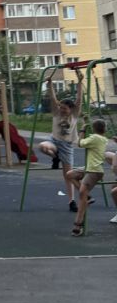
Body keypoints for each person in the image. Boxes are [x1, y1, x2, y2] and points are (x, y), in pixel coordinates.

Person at [38, 69, 84, 211]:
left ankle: (71, 201)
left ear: (71, 109)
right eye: (61, 107)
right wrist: (50, 84)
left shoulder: (74, 115)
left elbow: (79, 99)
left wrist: (80, 81)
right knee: (42, 146)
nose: (62, 110)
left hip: (67, 146)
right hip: (54, 141)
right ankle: (55, 156)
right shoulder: (56, 113)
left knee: (68, 175)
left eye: (64, 108)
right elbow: (53, 99)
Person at [67, 119, 108, 237]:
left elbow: (80, 143)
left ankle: (78, 224)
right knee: (70, 174)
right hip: (89, 168)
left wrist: (83, 129)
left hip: (94, 170)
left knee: (82, 195)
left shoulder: (95, 138)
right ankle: (88, 197)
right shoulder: (102, 139)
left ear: (94, 129)